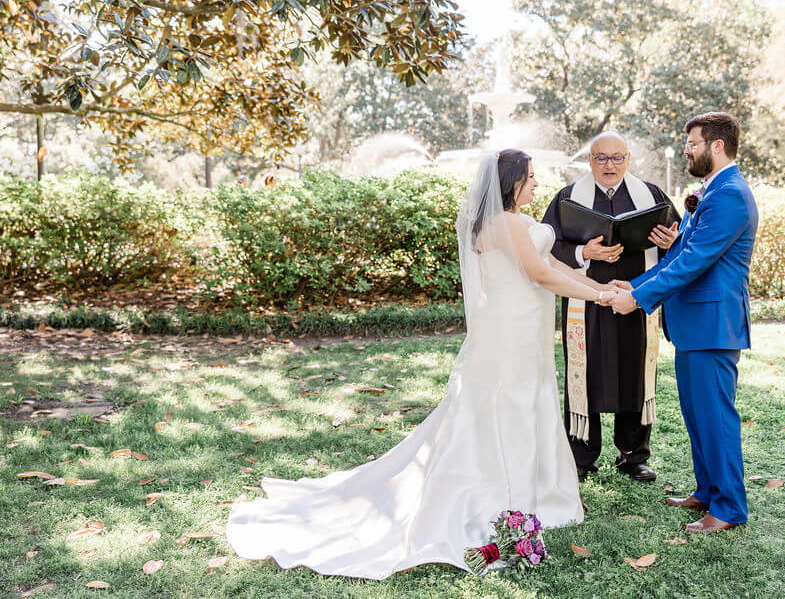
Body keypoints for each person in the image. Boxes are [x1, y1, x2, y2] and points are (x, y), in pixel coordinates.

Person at [227, 149, 622, 579]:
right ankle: (506, 493)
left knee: (526, 402)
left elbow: (551, 264)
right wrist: (603, 298)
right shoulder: (504, 222)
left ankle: (539, 491)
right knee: (509, 405)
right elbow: (541, 276)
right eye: (529, 178)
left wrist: (603, 283)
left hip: (525, 329)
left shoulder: (509, 221)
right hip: (512, 334)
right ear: (510, 182)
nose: (535, 184)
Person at [609, 112, 758, 533]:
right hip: (695, 325)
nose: (687, 150)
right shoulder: (712, 191)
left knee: (715, 417)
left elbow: (695, 261)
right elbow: (678, 254)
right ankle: (707, 492)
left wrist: (637, 300)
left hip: (713, 325)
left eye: (693, 144)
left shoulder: (729, 194)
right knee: (697, 415)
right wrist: (633, 282)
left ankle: (728, 508)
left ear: (716, 146)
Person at [541, 132, 679, 483]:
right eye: (601, 158)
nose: (609, 165)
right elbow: (544, 246)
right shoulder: (569, 198)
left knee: (634, 369)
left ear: (628, 158)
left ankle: (633, 455)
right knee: (585, 372)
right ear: (590, 159)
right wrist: (582, 253)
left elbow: (680, 244)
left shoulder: (652, 196)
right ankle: (582, 455)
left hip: (637, 297)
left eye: (617, 158)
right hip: (584, 300)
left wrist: (672, 240)